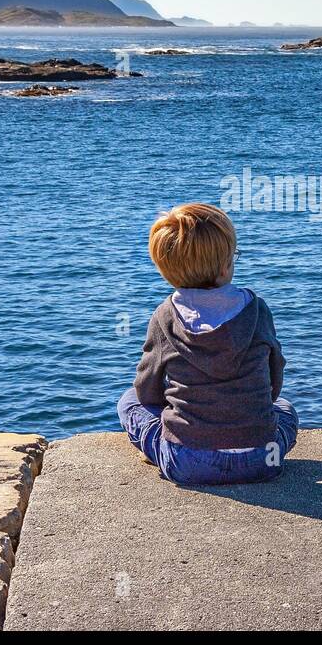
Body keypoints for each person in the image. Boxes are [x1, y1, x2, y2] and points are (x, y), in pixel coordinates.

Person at [118, 202, 298, 484]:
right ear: (225, 267)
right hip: (263, 459)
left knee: (128, 402)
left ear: (167, 271)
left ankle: (159, 450)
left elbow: (147, 390)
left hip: (188, 463)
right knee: (285, 409)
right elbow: (274, 384)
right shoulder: (257, 310)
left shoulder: (165, 316)